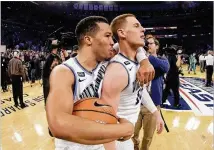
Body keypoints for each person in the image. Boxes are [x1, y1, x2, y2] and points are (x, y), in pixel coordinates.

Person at [46, 16, 134, 150]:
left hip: (99, 145)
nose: (112, 42)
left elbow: (132, 45)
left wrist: (144, 60)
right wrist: (122, 129)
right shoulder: (64, 72)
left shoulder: (107, 63)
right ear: (88, 39)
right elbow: (58, 124)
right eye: (108, 36)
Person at [101, 14, 164, 150]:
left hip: (125, 138)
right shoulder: (117, 69)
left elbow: (138, 90)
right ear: (122, 33)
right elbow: (105, 118)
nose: (143, 29)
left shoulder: (136, 60)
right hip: (117, 141)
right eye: (136, 26)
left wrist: (156, 113)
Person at [132, 37, 169, 150]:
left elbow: (165, 67)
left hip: (152, 105)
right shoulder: (136, 59)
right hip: (136, 104)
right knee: (133, 134)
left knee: (148, 137)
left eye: (151, 43)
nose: (148, 45)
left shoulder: (161, 60)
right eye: (146, 43)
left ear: (157, 46)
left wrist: (146, 57)